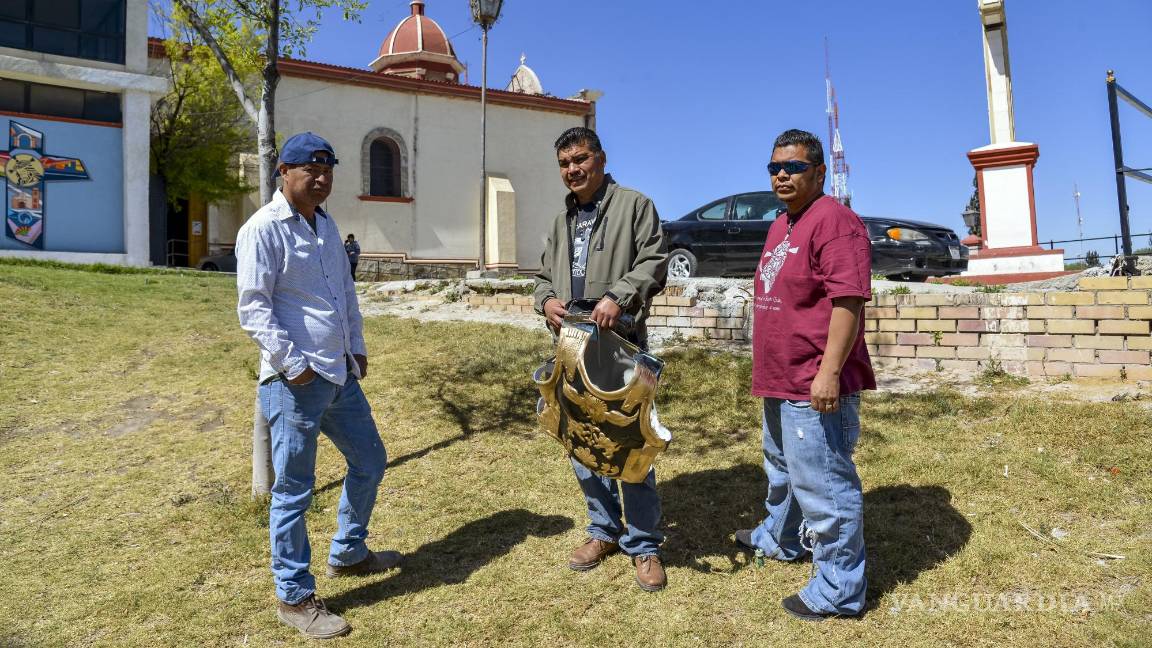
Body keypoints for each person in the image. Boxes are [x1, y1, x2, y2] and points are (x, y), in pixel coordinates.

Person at [236, 132, 399, 640]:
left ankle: (348, 552)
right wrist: (294, 365)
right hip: (294, 383)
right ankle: (294, 596)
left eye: (328, 170)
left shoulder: (325, 225)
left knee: (370, 460)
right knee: (293, 491)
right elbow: (253, 308)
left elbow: (343, 292)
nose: (322, 178)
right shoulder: (263, 228)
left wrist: (357, 346)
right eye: (311, 169)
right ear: (283, 171)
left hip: (339, 375)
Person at [734, 129, 875, 620]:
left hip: (814, 380)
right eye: (774, 167)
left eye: (793, 167)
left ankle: (840, 591)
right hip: (780, 376)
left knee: (825, 488)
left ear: (818, 172)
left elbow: (849, 301)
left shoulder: (836, 222)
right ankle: (781, 538)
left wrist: (829, 373)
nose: (782, 175)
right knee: (782, 469)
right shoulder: (782, 223)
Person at [533, 126, 670, 592]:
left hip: (620, 342)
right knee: (581, 438)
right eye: (564, 163)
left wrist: (619, 296)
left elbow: (654, 260)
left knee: (629, 440)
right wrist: (546, 300)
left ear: (601, 159)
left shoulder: (635, 205)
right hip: (571, 344)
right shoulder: (561, 221)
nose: (572, 169)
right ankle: (603, 529)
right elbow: (542, 276)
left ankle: (644, 543)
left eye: (580, 159)